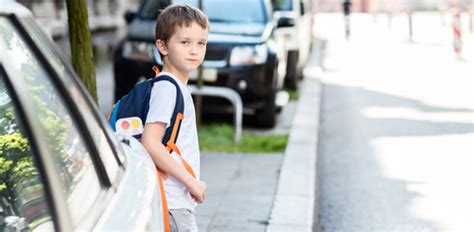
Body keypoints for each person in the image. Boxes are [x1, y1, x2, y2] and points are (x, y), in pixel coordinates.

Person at [141, 3, 208, 232]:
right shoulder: (168, 88)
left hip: (174, 201)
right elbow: (150, 143)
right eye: (185, 42)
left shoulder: (174, 86)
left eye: (201, 43)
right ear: (163, 46)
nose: (194, 50)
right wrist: (191, 182)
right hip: (172, 201)